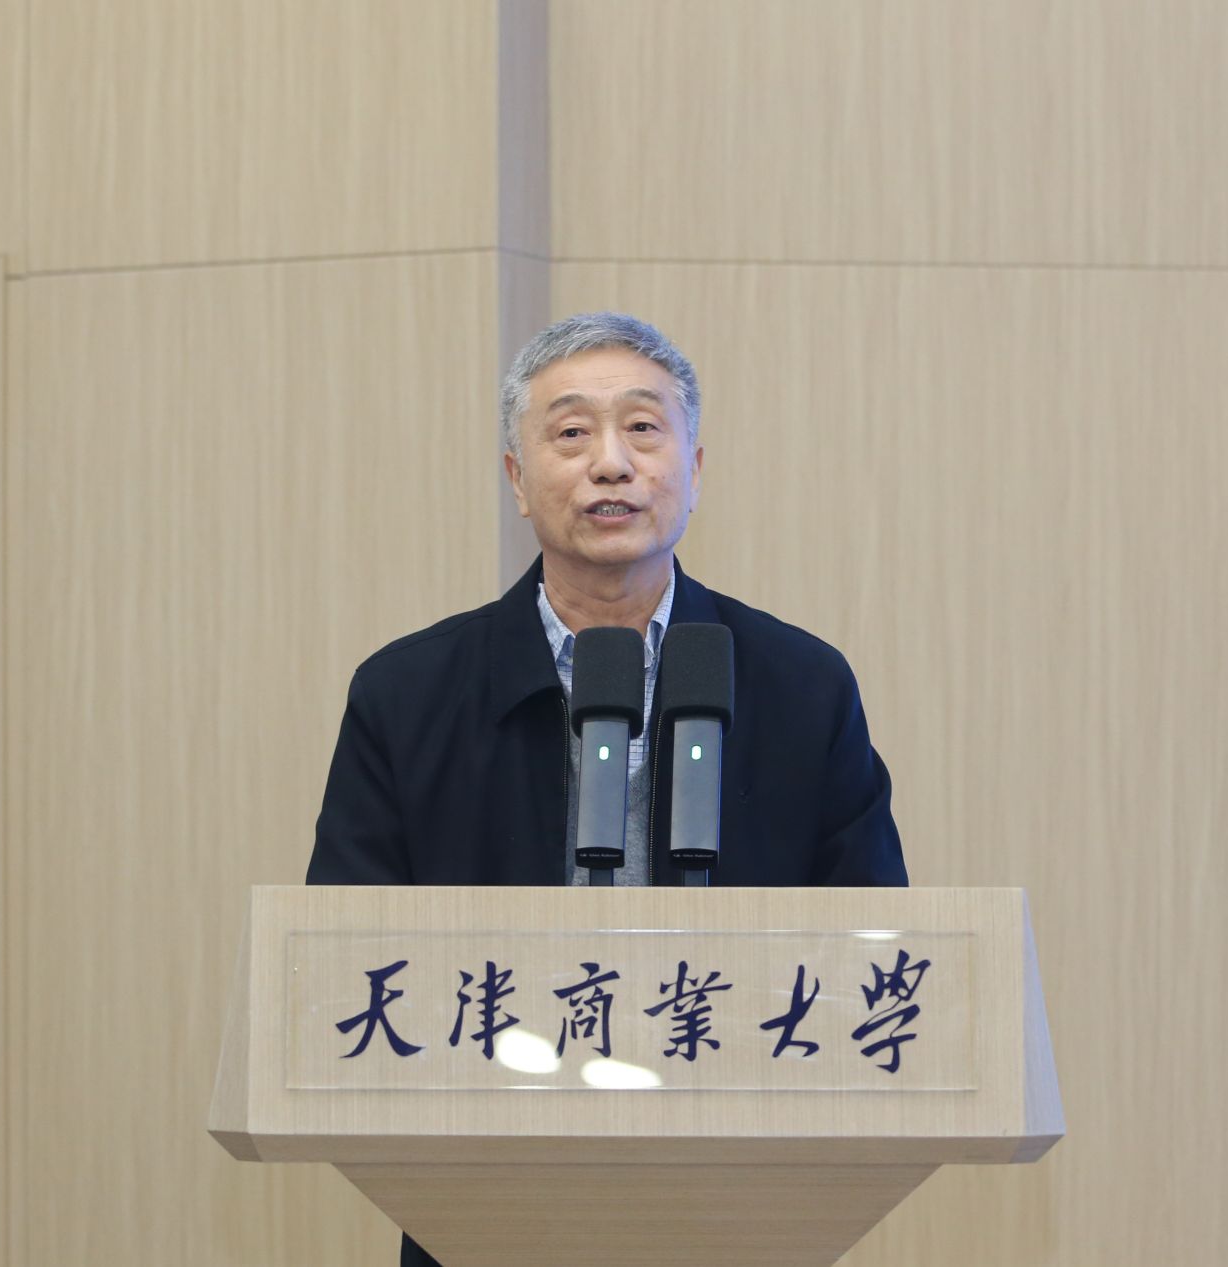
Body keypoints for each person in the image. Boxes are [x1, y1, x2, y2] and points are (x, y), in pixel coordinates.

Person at [304, 312, 907, 1267]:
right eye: (573, 432)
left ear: (694, 468)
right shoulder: (408, 694)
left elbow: (871, 950)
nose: (611, 463)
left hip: (742, 1206)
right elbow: (346, 963)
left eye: (643, 427)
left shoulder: (802, 685)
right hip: (485, 1206)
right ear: (517, 478)